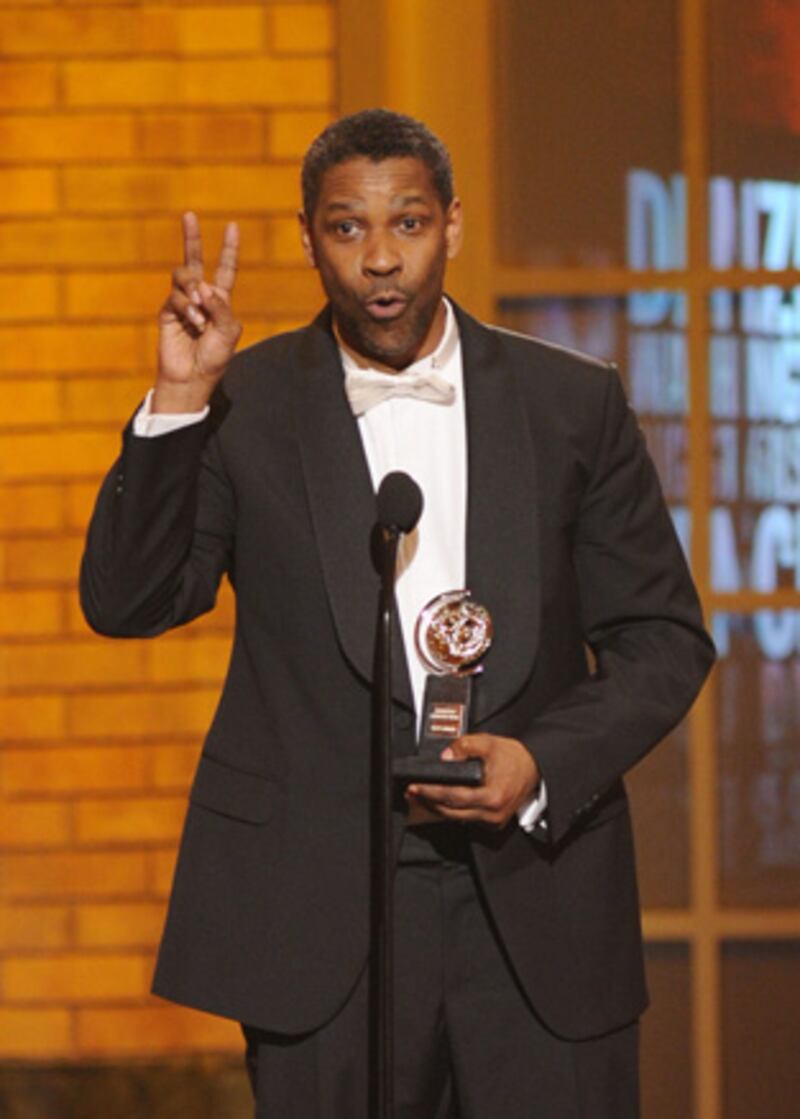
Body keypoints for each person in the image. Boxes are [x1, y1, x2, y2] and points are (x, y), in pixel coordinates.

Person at [80, 109, 715, 1118]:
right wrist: (176, 401)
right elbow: (130, 601)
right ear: (307, 237)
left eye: (407, 224)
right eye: (346, 229)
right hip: (322, 918)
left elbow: (661, 639)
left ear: (451, 226)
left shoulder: (569, 404)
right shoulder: (242, 405)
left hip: (534, 896)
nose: (380, 260)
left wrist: (540, 762)